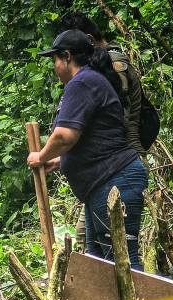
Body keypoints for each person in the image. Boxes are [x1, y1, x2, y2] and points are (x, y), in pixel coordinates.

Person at [27, 29, 148, 269]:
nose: (54, 67)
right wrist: (59, 161)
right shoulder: (90, 81)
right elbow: (96, 136)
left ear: (67, 56)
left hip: (115, 181)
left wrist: (40, 156)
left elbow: (64, 136)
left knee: (122, 261)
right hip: (104, 184)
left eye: (55, 60)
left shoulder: (82, 82)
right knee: (100, 264)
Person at [57, 12, 146, 154]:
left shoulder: (114, 66)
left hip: (122, 156)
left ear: (89, 40)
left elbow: (118, 116)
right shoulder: (99, 66)